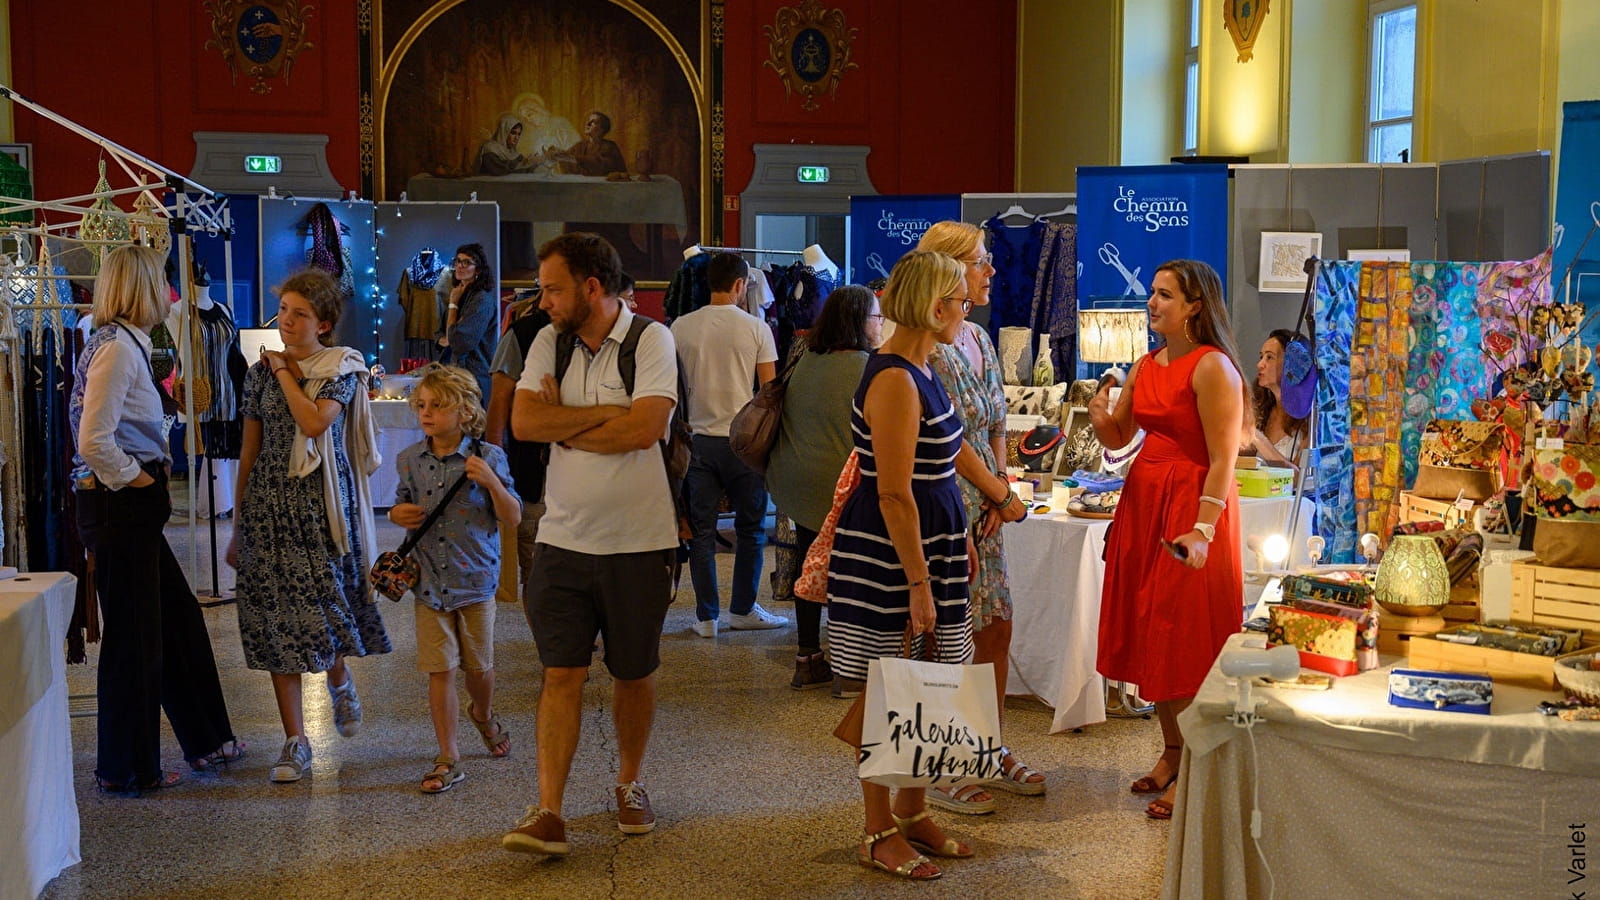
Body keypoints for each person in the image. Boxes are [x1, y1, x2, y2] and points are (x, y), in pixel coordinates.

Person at [827, 251, 1026, 881]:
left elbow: (948, 455)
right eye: (960, 301)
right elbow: (892, 491)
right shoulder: (892, 379)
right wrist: (918, 579)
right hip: (892, 554)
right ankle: (878, 828)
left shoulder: (923, 368)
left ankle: (913, 813)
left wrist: (978, 513)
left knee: (928, 687)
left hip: (934, 544)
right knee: (892, 691)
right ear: (935, 306)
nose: (967, 309)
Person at [501, 232, 678, 857]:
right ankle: (549, 810)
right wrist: (608, 418)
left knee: (634, 673)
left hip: (640, 541)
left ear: (591, 288)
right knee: (559, 673)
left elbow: (649, 427)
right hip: (563, 540)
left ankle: (629, 783)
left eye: (553, 288)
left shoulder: (651, 339)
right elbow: (524, 424)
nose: (543, 300)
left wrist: (567, 424)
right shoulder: (547, 340)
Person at [70, 244, 241, 793]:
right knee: (135, 638)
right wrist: (139, 480)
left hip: (127, 505)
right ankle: (126, 767)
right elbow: (93, 441)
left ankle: (207, 739)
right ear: (142, 288)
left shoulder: (125, 344)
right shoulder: (117, 348)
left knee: (177, 619)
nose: (170, 295)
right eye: (162, 284)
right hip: (121, 503)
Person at [1088, 259, 1250, 821]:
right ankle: (1173, 751)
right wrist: (1099, 415)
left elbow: (1224, 458)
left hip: (1191, 506)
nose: (1152, 302)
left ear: (1195, 306)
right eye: (1152, 293)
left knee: (1184, 633)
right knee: (1154, 629)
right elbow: (1120, 437)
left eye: (1164, 295)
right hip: (1145, 498)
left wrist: (1204, 529)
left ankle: (1200, 764)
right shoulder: (1146, 364)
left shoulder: (1213, 368)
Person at [228, 268, 390, 785]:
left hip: (320, 506)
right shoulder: (256, 374)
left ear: (323, 324)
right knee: (276, 620)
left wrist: (283, 372)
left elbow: (314, 422)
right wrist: (238, 521)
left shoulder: (341, 367)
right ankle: (295, 740)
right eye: (284, 310)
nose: (287, 320)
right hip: (269, 506)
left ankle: (339, 676)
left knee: (324, 609)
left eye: (300, 313)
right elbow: (248, 451)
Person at [918, 221, 1047, 810]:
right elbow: (948, 440)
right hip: (946, 505)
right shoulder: (926, 344)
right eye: (980, 261)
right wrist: (996, 492)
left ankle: (987, 746)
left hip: (988, 506)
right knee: (949, 640)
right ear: (946, 271)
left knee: (996, 627)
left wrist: (1001, 489)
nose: (991, 271)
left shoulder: (978, 336)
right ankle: (942, 765)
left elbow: (995, 423)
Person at [390, 365, 522, 793]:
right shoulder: (409, 460)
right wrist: (397, 515)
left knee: (478, 667)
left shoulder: (489, 458)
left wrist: (491, 483)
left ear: (465, 412)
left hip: (475, 580)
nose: (426, 414)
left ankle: (482, 713)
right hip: (429, 582)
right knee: (439, 669)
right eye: (421, 406)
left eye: (438, 406)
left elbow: (512, 515)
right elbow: (401, 505)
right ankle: (449, 755)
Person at [766, 284, 881, 689]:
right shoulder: (868, 367)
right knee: (852, 571)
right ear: (858, 321)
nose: (880, 324)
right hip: (841, 488)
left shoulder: (806, 360)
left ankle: (807, 655)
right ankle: (852, 667)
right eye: (875, 316)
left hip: (797, 482)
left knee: (808, 562)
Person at [671, 252, 786, 637]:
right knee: (751, 528)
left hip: (698, 440)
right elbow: (769, 392)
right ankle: (742, 609)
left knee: (702, 531)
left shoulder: (680, 327)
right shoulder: (756, 328)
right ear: (740, 285)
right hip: (743, 442)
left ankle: (706, 617)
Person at [485, 294, 553, 606]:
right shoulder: (524, 332)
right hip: (533, 466)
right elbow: (499, 400)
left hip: (588, 472)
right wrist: (494, 464)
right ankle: (552, 638)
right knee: (536, 563)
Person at [437, 243, 498, 399]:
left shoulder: (481, 299)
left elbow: (459, 343)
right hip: (455, 372)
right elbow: (440, 334)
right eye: (458, 261)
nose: (460, 266)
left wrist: (452, 305)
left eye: (467, 262)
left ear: (477, 270)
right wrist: (446, 337)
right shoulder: (460, 294)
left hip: (474, 376)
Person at [1252, 329, 1311, 468]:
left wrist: (1257, 438)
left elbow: (1298, 480)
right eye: (1261, 357)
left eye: (1269, 357)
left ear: (1292, 366)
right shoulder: (1260, 410)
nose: (1260, 364)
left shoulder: (1311, 420)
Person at [564, 110, 626, 176]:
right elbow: (566, 157)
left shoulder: (610, 146)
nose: (588, 123)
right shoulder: (580, 146)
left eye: (594, 122)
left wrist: (576, 158)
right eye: (588, 120)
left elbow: (601, 165)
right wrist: (557, 153)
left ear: (602, 129)